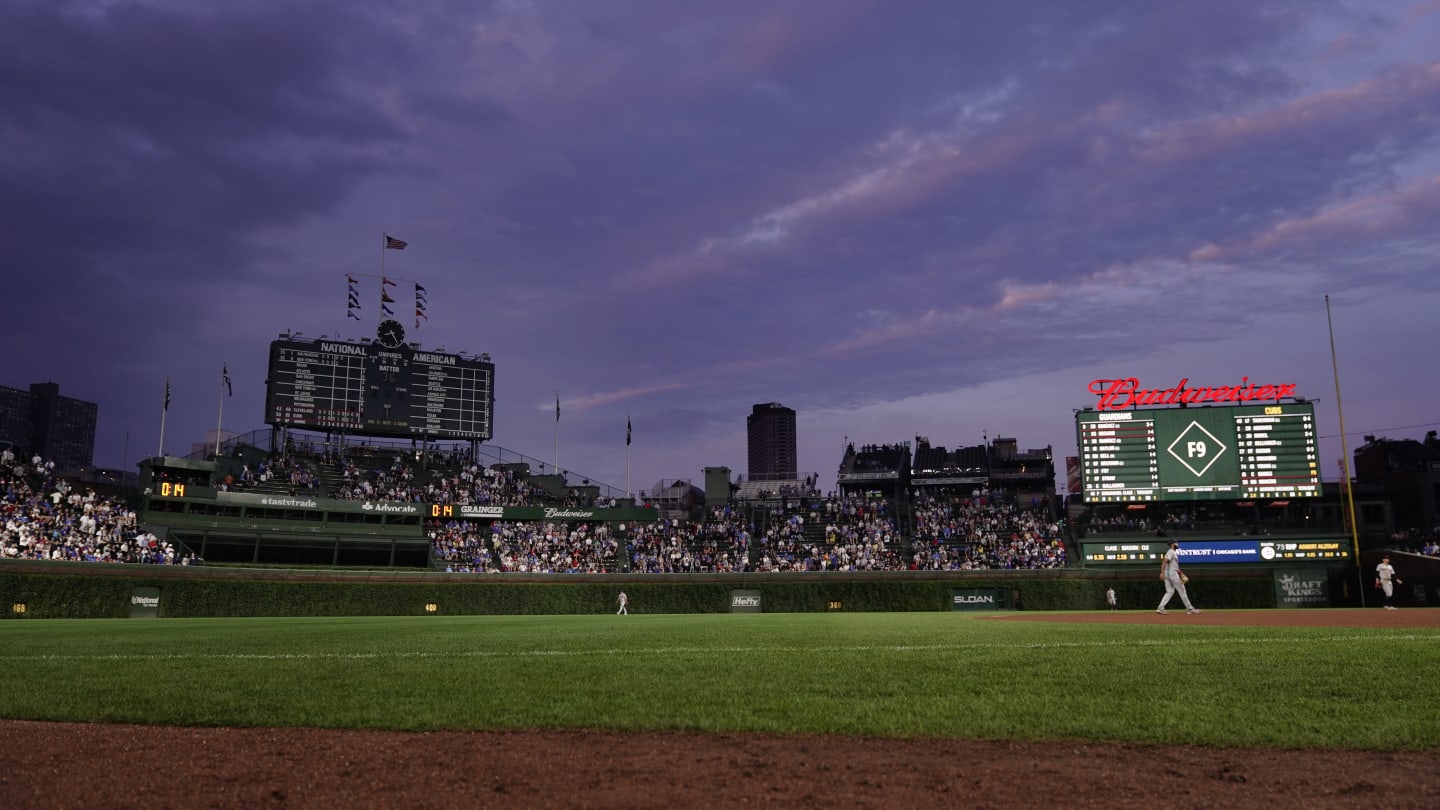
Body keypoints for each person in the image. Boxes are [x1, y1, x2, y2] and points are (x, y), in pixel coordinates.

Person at [1156, 540, 1199, 615]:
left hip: (1169, 573)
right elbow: (1164, 561)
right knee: (1182, 590)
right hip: (1171, 573)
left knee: (1170, 591)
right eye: (1176, 543)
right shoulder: (1171, 551)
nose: (1177, 544)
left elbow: (1174, 566)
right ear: (1172, 544)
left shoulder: (1172, 552)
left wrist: (1181, 574)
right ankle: (1190, 609)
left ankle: (1160, 608)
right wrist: (1162, 572)